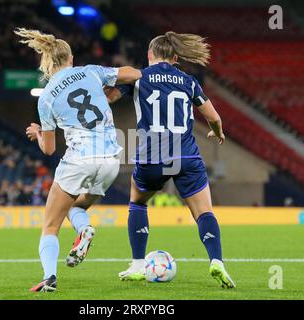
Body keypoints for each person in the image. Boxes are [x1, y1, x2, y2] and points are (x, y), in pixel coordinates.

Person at [14, 28, 142, 292]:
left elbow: (48, 149)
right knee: (77, 208)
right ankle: (84, 230)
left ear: (48, 63)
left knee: (50, 224)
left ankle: (50, 278)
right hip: (110, 159)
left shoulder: (47, 97)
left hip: (79, 159)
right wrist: (143, 76)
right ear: (70, 58)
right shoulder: (90, 71)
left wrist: (38, 132)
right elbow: (130, 74)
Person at [106, 31, 235, 288]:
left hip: (152, 156)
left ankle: (137, 264)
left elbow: (108, 98)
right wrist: (217, 133)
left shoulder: (139, 77)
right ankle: (216, 260)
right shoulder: (188, 81)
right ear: (175, 56)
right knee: (204, 212)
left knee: (138, 202)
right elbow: (214, 118)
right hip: (185, 155)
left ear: (150, 55)